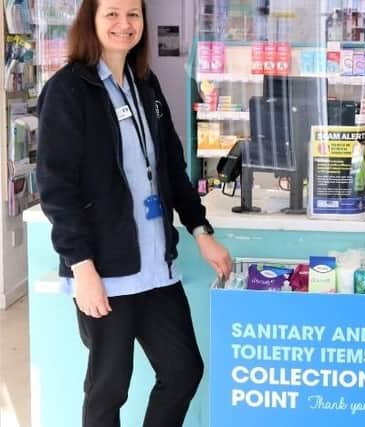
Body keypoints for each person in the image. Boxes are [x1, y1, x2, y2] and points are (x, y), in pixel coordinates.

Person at [35, 0, 232, 426]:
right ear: (91, 20)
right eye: (112, 14)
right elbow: (56, 189)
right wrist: (82, 268)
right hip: (104, 270)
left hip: (156, 267)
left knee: (182, 371)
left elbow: (172, 168)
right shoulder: (68, 89)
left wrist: (200, 230)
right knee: (109, 387)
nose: (124, 24)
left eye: (133, 15)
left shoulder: (145, 83)